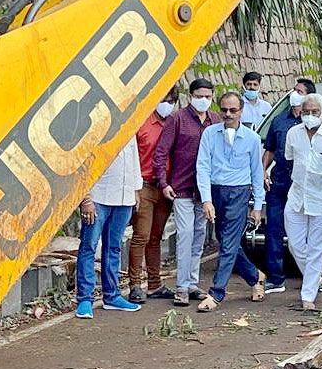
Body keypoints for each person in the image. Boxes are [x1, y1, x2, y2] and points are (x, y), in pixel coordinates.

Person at [196, 92, 266, 312]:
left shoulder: (252, 139)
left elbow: (257, 172)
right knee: (224, 240)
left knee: (228, 243)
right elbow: (203, 167)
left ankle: (216, 293)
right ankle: (255, 277)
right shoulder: (209, 134)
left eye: (233, 110)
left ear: (241, 111)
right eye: (224, 110)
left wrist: (257, 206)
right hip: (216, 191)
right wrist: (206, 199)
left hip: (239, 192)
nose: (228, 114)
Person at [154, 78, 221, 306]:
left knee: (199, 237)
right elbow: (161, 152)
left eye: (208, 97)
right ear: (191, 96)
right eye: (199, 96)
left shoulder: (215, 120)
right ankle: (181, 287)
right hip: (181, 188)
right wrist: (164, 182)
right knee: (185, 236)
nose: (204, 100)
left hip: (205, 192)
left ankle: (192, 283)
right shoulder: (177, 119)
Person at [283, 93, 322, 310]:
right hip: (296, 196)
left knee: (317, 248)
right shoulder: (293, 134)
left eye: (314, 112)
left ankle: (308, 296)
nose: (309, 116)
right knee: (296, 244)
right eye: (305, 111)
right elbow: (289, 159)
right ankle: (314, 278)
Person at [74, 139, 143, 319]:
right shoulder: (99, 126)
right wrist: (86, 198)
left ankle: (112, 296)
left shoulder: (130, 125)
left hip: (124, 198)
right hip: (98, 197)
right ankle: (85, 299)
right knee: (89, 246)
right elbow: (83, 162)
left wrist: (136, 190)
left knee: (114, 247)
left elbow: (134, 159)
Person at [261, 77, 315, 295]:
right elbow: (270, 149)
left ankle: (311, 278)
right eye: (294, 90)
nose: (295, 94)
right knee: (273, 228)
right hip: (279, 180)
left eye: (299, 91)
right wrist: (263, 171)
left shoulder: (312, 122)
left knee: (306, 233)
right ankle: (275, 278)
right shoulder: (279, 121)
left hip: (303, 184)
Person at [128, 86, 179, 302]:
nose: (167, 104)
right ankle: (135, 285)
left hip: (165, 188)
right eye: (163, 99)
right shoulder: (142, 123)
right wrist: (134, 188)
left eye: (171, 100)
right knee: (141, 236)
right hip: (144, 185)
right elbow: (131, 157)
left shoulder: (175, 123)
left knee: (156, 237)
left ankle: (154, 283)